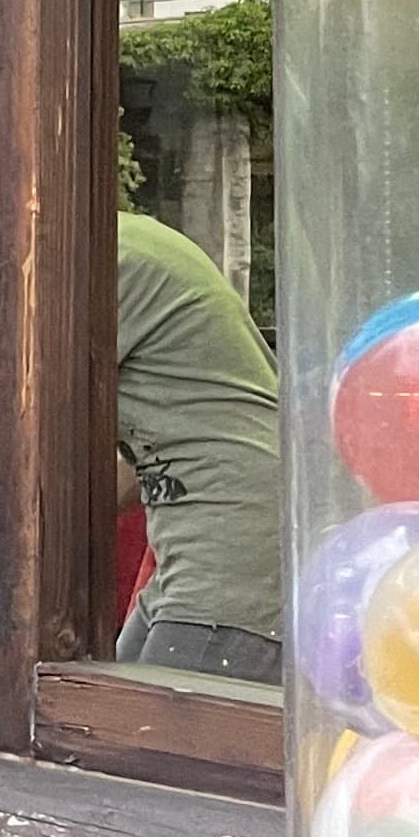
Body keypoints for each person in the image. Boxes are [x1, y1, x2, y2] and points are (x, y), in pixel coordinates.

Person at [115, 205, 283, 677]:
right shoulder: (138, 242)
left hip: (229, 546)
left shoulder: (97, 265)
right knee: (112, 717)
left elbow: (21, 444)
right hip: (224, 531)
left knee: (144, 740)